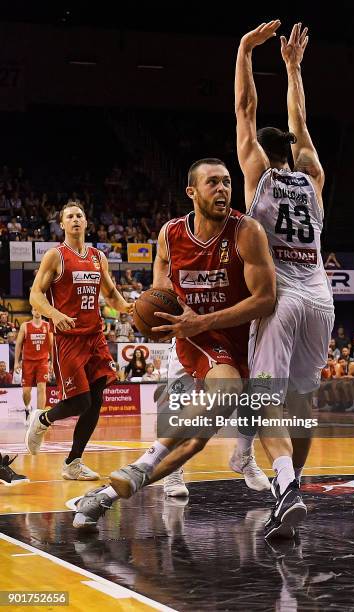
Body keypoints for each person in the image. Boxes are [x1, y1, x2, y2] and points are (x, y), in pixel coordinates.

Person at [72, 157, 276, 529]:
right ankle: (156, 468)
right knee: (204, 395)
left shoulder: (245, 231)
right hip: (194, 335)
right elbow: (161, 286)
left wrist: (201, 319)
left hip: (239, 333)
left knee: (197, 439)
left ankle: (107, 494)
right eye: (213, 183)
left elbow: (266, 299)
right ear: (191, 192)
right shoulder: (170, 234)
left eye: (227, 182)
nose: (223, 189)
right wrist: (160, 313)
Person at [234, 20, 335, 538]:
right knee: (302, 402)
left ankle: (284, 486)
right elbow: (301, 123)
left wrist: (246, 52)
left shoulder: (259, 173)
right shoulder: (312, 175)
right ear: (292, 151)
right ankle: (293, 489)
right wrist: (294, 69)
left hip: (283, 296)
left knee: (266, 399)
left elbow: (245, 110)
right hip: (321, 297)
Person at [26, 200, 134, 479]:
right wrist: (53, 314)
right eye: (70, 216)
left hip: (95, 336)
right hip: (69, 338)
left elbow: (110, 294)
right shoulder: (55, 256)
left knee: (97, 399)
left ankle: (73, 462)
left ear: (86, 222)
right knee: (80, 402)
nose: (75, 220)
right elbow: (35, 295)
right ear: (61, 224)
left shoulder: (98, 257)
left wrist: (129, 308)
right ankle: (42, 419)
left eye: (79, 216)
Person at [14, 309, 53, 423]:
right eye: (35, 309)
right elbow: (18, 344)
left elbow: (51, 346)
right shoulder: (25, 326)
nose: (37, 311)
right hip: (28, 362)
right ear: (32, 311)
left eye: (39, 309)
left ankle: (39, 416)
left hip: (42, 361)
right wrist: (16, 362)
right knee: (26, 391)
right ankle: (27, 408)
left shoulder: (48, 325)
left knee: (42, 388)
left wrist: (52, 362)